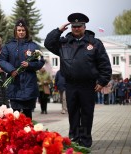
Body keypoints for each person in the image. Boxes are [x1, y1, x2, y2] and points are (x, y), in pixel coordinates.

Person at [44, 13, 112, 148]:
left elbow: (104, 64)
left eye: (79, 26)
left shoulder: (94, 43)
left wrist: (102, 81)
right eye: (74, 26)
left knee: (87, 114)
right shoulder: (63, 43)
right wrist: (59, 30)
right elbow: (48, 43)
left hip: (89, 85)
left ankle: (85, 141)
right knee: (73, 113)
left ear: (84, 27)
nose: (76, 28)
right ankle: (74, 139)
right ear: (70, 27)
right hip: (71, 84)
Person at [0, 19, 45, 119]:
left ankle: (28, 134)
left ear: (26, 31)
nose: (21, 32)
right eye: (19, 30)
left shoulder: (33, 46)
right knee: (15, 115)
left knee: (28, 115)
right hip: (15, 84)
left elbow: (41, 62)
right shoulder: (9, 46)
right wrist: (11, 70)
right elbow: (1, 60)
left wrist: (29, 65)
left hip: (29, 85)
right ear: (15, 31)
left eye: (23, 30)